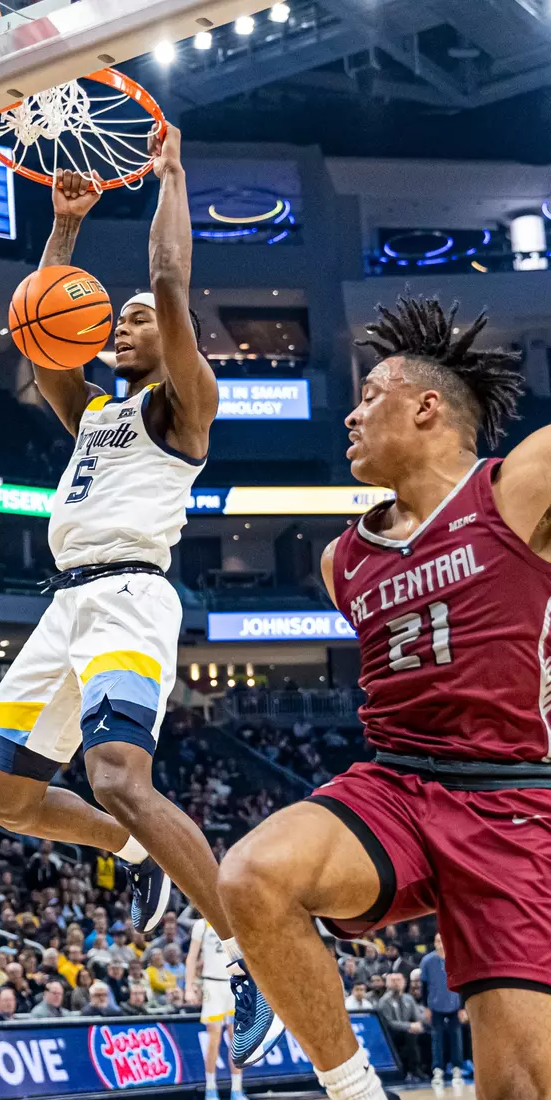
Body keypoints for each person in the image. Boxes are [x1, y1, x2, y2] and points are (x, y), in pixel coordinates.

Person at [0, 126, 275, 1061]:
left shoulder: (181, 406)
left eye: (136, 317)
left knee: (115, 776)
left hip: (129, 599)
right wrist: (64, 229)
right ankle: (135, 850)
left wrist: (172, 176)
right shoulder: (95, 413)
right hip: (65, 605)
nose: (125, 322)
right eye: (121, 317)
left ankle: (246, 951)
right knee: (8, 801)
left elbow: (173, 283)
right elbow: (43, 347)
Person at [218, 295, 550, 1100]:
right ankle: (355, 1089)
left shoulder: (519, 489)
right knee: (251, 875)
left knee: (520, 1089)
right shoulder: (342, 560)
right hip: (396, 785)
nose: (351, 416)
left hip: (513, 801)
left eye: (370, 396)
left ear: (427, 406)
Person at [186, 917, 244, 1100]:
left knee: (237, 1038)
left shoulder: (234, 920)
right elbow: (191, 957)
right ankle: (210, 1088)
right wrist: (188, 987)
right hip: (212, 985)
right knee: (214, 1037)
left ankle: (237, 1090)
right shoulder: (201, 925)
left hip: (235, 983)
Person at [421, 934, 466, 1088]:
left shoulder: (457, 959)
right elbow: (424, 987)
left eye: (442, 940)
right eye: (437, 941)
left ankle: (457, 1070)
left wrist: (462, 1008)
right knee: (437, 1039)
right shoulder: (427, 961)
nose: (440, 944)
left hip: (455, 1006)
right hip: (435, 1006)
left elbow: (462, 985)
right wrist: (426, 1007)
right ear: (434, 943)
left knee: (456, 1039)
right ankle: (438, 1070)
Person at [378, 974, 424, 1083]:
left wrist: (419, 1025)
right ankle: (414, 1070)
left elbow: (417, 1017)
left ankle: (430, 1069)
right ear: (387, 984)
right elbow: (389, 1023)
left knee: (427, 1034)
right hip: (391, 1034)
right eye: (393, 980)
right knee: (410, 1035)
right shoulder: (384, 1001)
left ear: (404, 982)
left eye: (398, 980)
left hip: (408, 1031)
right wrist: (410, 1026)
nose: (396, 983)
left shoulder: (409, 998)